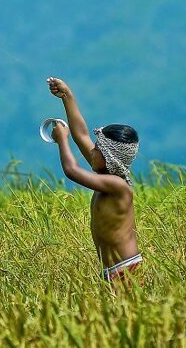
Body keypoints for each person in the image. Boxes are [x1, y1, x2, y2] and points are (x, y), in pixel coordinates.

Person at [47, 77, 142, 283]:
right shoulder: (106, 175)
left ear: (110, 157)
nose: (93, 150)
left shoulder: (117, 186)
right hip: (111, 269)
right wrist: (67, 96)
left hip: (125, 269)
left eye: (98, 149)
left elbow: (72, 170)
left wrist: (62, 141)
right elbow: (81, 134)